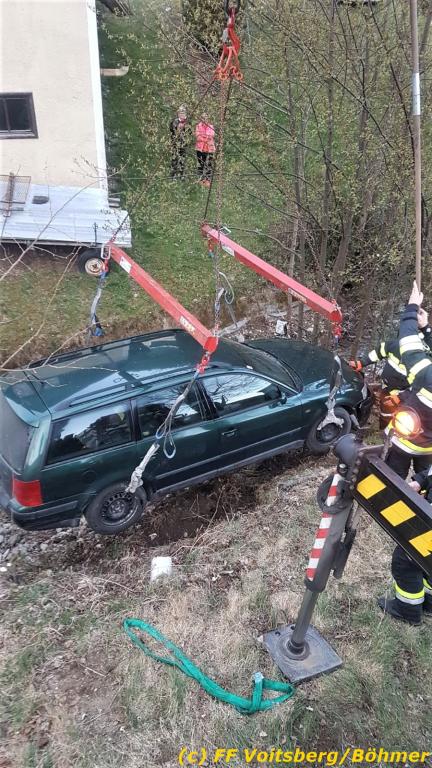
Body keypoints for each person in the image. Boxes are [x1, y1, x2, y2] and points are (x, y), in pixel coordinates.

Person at [378, 281, 432, 624]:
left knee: (407, 556)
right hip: (423, 447)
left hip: (409, 441)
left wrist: (412, 308)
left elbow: (409, 345)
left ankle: (408, 609)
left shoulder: (427, 376)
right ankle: (429, 601)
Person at [349, 322, 432, 431]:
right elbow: (378, 352)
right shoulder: (394, 345)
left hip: (405, 393)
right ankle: (383, 431)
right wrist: (361, 362)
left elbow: (421, 384)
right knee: (385, 411)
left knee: (403, 416)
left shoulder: (423, 359)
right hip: (387, 387)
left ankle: (397, 432)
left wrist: (400, 397)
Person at [169, 105, 190, 180]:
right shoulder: (174, 121)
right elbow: (172, 130)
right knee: (174, 158)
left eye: (183, 113)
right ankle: (173, 175)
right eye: (181, 113)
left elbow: (189, 132)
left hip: (184, 143)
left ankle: (182, 175)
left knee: (182, 159)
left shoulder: (188, 122)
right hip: (175, 142)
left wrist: (185, 127)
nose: (182, 114)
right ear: (178, 114)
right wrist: (178, 127)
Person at [195, 113, 215, 187]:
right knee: (201, 163)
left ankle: (208, 179)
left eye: (206, 118)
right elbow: (198, 136)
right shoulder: (198, 126)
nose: (204, 119)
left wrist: (204, 137)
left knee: (209, 164)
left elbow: (211, 135)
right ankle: (201, 179)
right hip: (200, 148)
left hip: (209, 148)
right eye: (203, 118)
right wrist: (205, 137)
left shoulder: (211, 126)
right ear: (201, 118)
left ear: (208, 119)